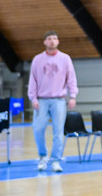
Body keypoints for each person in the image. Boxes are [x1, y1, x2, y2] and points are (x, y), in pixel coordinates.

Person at [28, 31, 78, 173]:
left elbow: (71, 78)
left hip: (59, 100)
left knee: (58, 131)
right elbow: (33, 80)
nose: (52, 41)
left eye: (54, 38)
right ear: (44, 42)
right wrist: (33, 97)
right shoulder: (37, 59)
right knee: (38, 129)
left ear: (58, 41)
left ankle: (56, 160)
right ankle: (43, 156)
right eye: (49, 39)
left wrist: (72, 95)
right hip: (41, 100)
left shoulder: (65, 58)